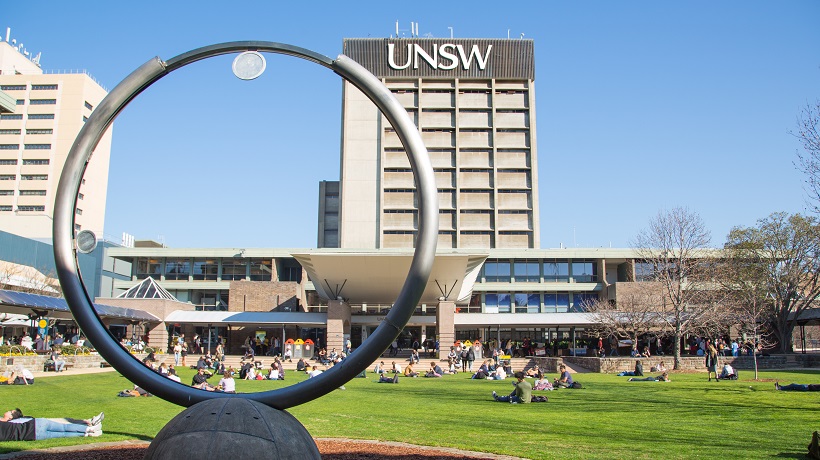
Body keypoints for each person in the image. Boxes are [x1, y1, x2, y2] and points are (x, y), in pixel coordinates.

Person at [0, 409, 104, 440]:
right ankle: (89, 428)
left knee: (64, 433)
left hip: (33, 435)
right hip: (36, 425)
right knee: (64, 427)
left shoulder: (7, 427)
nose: (7, 411)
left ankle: (88, 432)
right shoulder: (13, 421)